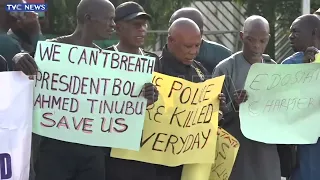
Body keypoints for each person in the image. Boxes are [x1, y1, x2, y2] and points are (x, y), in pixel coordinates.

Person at [32, 0, 159, 180]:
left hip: (93, 155)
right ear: (88, 18)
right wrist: (19, 57)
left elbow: (120, 103)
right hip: (54, 153)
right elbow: (24, 78)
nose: (113, 25)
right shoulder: (52, 51)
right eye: (109, 19)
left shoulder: (106, 61)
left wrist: (147, 96)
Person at [156, 17, 226, 180]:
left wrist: (217, 106)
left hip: (192, 163)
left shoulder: (199, 70)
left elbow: (213, 117)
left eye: (197, 45)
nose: (194, 51)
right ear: (171, 41)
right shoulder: (155, 69)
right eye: (188, 46)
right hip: (160, 163)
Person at [212, 15, 281, 180]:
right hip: (236, 153)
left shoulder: (274, 70)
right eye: (251, 40)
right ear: (242, 36)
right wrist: (233, 105)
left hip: (267, 154)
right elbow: (211, 116)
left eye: (262, 41)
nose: (256, 46)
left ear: (268, 39)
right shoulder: (225, 69)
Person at [104, 2, 159, 179]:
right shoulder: (104, 58)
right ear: (118, 28)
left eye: (144, 25)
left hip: (145, 150)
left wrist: (155, 98)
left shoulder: (154, 61)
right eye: (136, 25)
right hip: (111, 149)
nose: (142, 29)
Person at [281, 14, 320, 180]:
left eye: (295, 31)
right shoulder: (289, 65)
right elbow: (280, 100)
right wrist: (303, 70)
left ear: (314, 32)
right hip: (304, 148)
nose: (290, 36)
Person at [169, 7, 232, 73]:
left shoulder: (223, 56)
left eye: (178, 29)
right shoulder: (166, 57)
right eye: (170, 27)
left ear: (200, 33)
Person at [0, 0, 40, 72]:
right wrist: (35, 32)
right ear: (14, 13)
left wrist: (19, 31)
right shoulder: (8, 44)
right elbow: (43, 66)